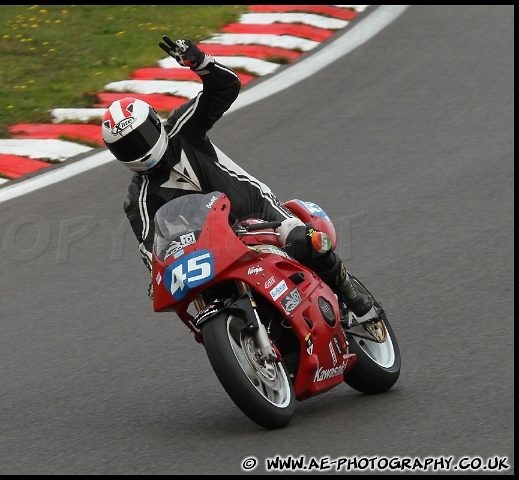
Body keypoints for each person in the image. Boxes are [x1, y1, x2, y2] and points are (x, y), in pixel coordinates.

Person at [101, 36, 374, 316]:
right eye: (127, 147)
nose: (140, 148)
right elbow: (150, 246)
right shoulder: (139, 199)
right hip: (214, 246)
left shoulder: (184, 129)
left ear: (155, 123)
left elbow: (226, 88)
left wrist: (199, 61)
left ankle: (348, 291)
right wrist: (156, 276)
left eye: (142, 137)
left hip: (258, 211)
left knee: (304, 241)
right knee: (205, 297)